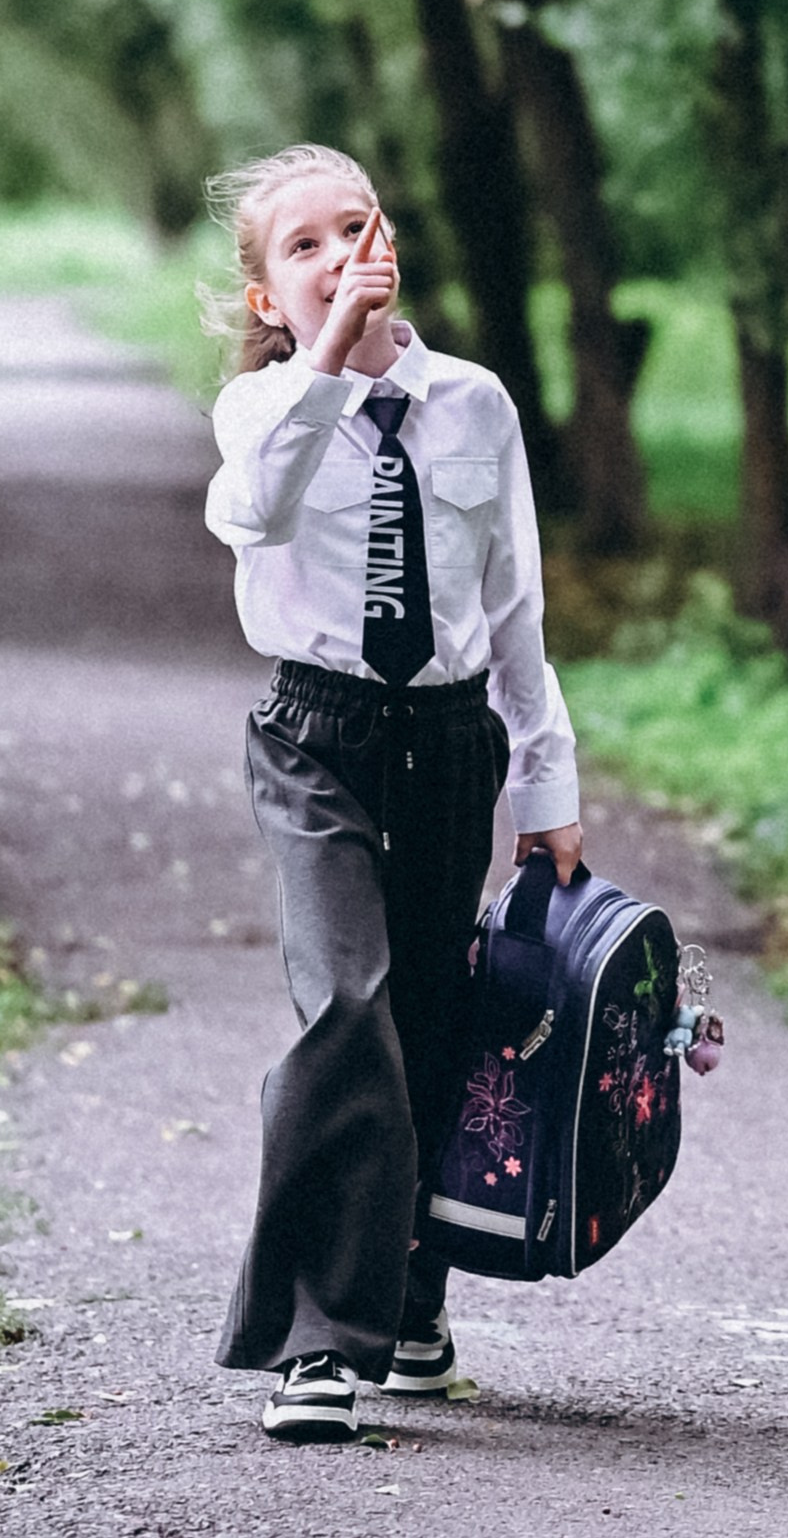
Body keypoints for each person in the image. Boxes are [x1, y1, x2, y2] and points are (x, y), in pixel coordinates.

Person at [202, 143, 583, 1444]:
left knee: (429, 1013)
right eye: (299, 247)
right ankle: (317, 1341)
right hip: (316, 733)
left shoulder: (474, 403)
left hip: (449, 739)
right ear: (267, 296)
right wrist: (323, 369)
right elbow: (252, 515)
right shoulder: (258, 412)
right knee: (343, 1001)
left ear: (392, 244)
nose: (333, 259)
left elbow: (513, 600)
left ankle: (412, 1298)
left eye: (352, 229)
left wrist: (549, 777)